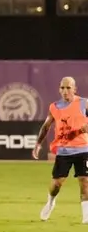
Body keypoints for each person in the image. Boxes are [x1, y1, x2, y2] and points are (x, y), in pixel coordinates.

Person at [33, 76, 88, 222]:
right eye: (62, 88)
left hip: (84, 149)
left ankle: (86, 217)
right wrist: (38, 144)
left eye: (68, 88)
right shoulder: (54, 107)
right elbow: (46, 126)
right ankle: (51, 202)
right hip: (64, 151)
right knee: (57, 184)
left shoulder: (84, 103)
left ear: (75, 89)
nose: (65, 91)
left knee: (85, 181)